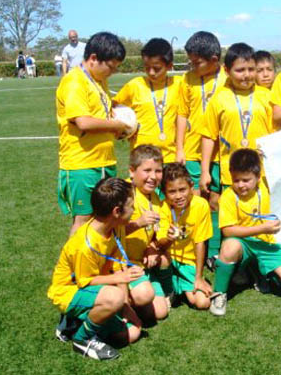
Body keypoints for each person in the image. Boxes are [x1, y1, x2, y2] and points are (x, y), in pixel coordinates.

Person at [47, 178, 149, 360]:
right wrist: (122, 283)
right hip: (69, 291)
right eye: (132, 206)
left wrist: (126, 307)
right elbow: (85, 281)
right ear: (117, 211)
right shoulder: (84, 244)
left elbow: (118, 267)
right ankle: (82, 339)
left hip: (98, 290)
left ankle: (77, 322)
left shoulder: (117, 228)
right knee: (114, 297)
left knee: (133, 332)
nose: (134, 212)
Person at [209, 149, 281, 316]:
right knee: (229, 247)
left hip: (266, 243)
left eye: (246, 180)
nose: (241, 185)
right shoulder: (228, 196)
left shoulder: (265, 185)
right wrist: (262, 228)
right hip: (242, 243)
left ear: (258, 178)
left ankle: (258, 271)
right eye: (236, 180)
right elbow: (228, 231)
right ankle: (219, 293)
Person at [56, 32, 128, 236]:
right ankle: (74, 268)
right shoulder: (74, 82)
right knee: (83, 219)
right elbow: (83, 122)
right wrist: (116, 125)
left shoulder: (98, 81)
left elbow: (101, 112)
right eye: (111, 67)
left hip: (104, 162)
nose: (112, 72)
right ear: (94, 58)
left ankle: (97, 264)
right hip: (81, 165)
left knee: (104, 219)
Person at [176, 31, 225, 262]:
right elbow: (182, 114)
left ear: (214, 59)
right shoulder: (187, 79)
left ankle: (213, 253)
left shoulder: (228, 76)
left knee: (215, 202)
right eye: (190, 62)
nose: (192, 66)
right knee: (195, 202)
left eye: (197, 62)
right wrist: (179, 148)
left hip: (221, 154)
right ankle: (190, 252)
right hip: (194, 151)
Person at [200, 42, 274, 189]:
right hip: (232, 176)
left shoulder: (267, 96)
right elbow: (208, 136)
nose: (246, 75)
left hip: (263, 173)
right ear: (227, 71)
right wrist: (204, 171)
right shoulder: (219, 98)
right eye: (240, 70)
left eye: (251, 69)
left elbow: (276, 133)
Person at [113, 38, 181, 164]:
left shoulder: (179, 84)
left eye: (156, 68)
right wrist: (124, 128)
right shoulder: (135, 85)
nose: (151, 72)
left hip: (171, 157)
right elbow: (112, 105)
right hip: (141, 158)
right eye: (147, 67)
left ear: (169, 66)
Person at [156, 163, 213, 309]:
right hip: (168, 260)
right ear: (164, 192)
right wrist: (169, 239)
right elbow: (160, 245)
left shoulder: (201, 205)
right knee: (162, 259)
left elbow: (201, 242)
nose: (178, 196)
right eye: (172, 192)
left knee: (202, 302)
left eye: (182, 190)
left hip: (188, 262)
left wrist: (199, 277)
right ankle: (170, 290)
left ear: (191, 186)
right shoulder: (162, 208)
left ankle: (179, 286)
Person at [122, 144, 169, 322]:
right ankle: (121, 302)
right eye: (147, 170)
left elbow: (156, 234)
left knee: (159, 313)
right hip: (120, 265)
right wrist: (138, 223)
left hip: (142, 264)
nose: (153, 177)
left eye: (158, 171)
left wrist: (152, 247)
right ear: (132, 171)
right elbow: (108, 232)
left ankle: (141, 293)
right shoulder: (123, 193)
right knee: (144, 296)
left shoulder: (157, 199)